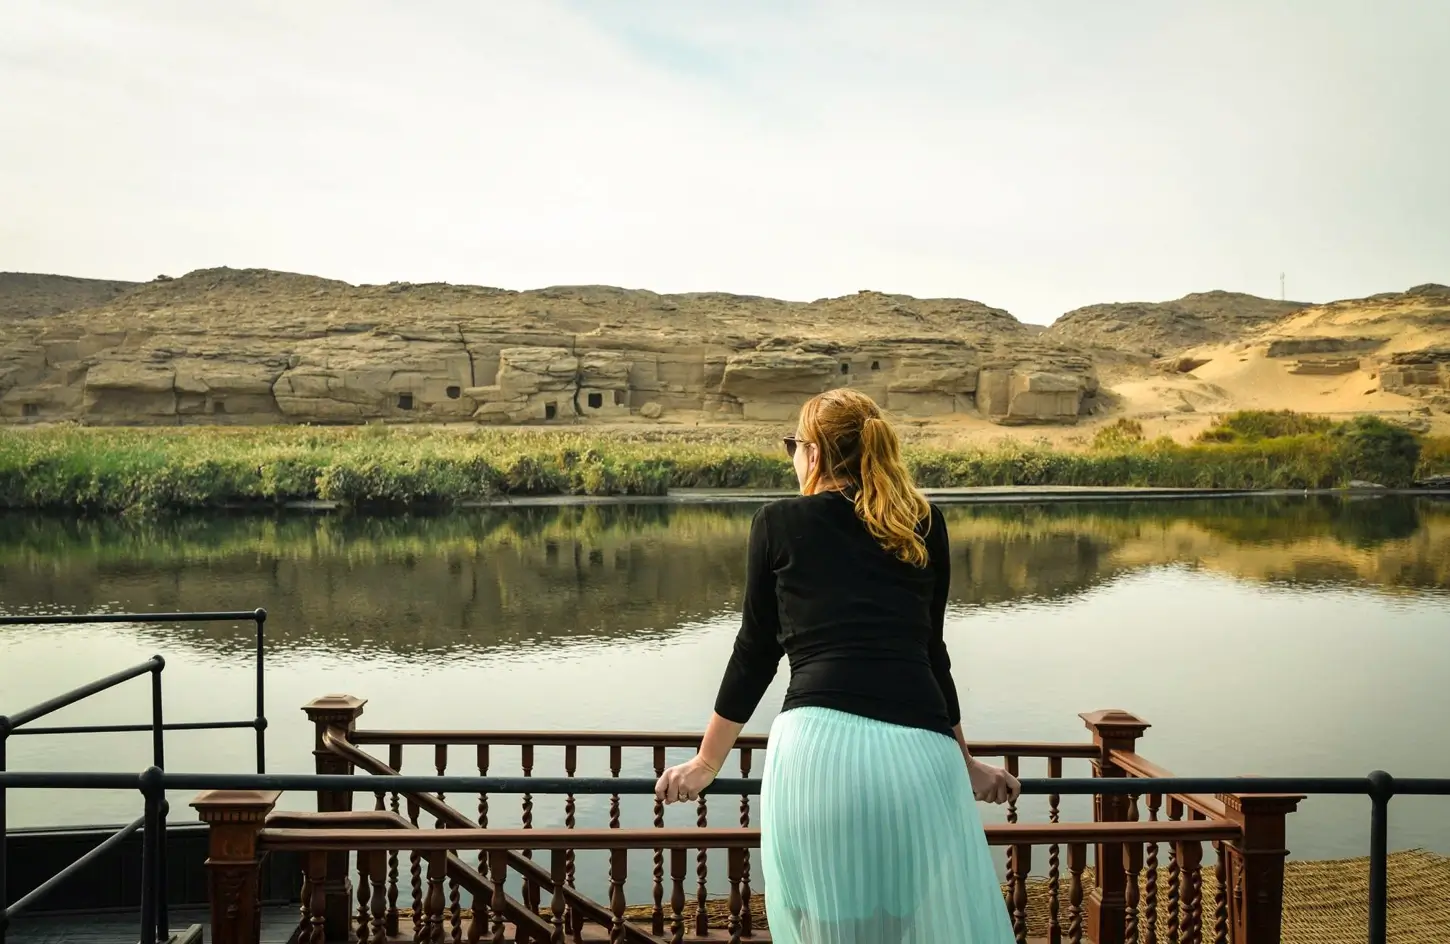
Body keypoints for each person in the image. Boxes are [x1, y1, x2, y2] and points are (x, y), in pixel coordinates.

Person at [655, 388, 1019, 943]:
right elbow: (931, 655)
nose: (793, 458)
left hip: (819, 753)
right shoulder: (924, 522)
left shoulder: (778, 522)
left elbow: (755, 652)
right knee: (900, 927)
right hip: (922, 759)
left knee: (826, 926)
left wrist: (707, 762)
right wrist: (965, 763)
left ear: (816, 454)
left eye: (793, 446)